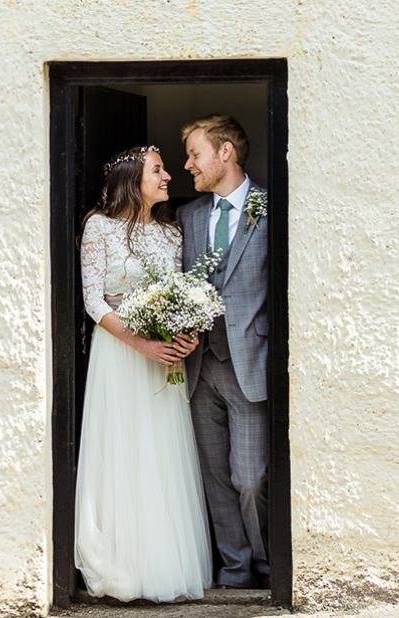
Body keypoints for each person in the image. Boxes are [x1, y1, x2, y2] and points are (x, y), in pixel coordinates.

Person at [74, 145, 212, 602]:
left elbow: (180, 295)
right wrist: (141, 343)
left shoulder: (171, 234)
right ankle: (124, 561)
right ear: (134, 179)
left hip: (164, 362)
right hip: (119, 356)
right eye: (158, 170)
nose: (169, 175)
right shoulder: (100, 227)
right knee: (123, 450)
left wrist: (185, 336)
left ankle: (162, 562)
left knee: (161, 455)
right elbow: (94, 301)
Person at [176, 115, 270, 589]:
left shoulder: (270, 208)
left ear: (225, 152)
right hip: (198, 367)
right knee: (214, 477)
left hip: (249, 365)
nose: (188, 165)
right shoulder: (189, 216)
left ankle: (269, 566)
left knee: (250, 477)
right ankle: (235, 572)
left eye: (195, 154)